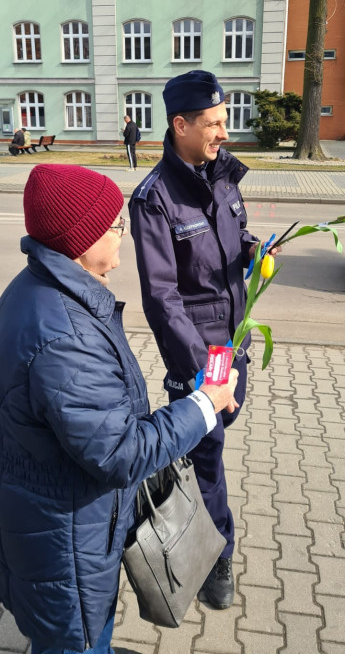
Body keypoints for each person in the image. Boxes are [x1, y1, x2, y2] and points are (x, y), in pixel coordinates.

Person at [0, 163, 239, 654]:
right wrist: (203, 405)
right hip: (67, 540)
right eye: (115, 226)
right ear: (82, 239)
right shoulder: (65, 335)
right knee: (76, 638)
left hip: (53, 512)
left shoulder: (41, 290)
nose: (122, 238)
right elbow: (120, 453)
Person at [129, 70, 281, 611]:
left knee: (209, 456)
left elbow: (231, 236)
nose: (225, 132)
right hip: (199, 363)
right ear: (181, 125)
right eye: (214, 123)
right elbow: (162, 299)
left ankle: (202, 540)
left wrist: (254, 249)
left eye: (224, 120)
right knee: (206, 462)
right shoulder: (154, 200)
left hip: (232, 350)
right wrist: (204, 376)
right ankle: (215, 560)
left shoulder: (220, 176)